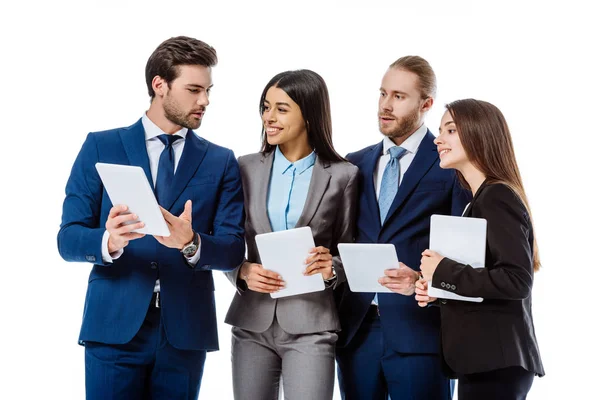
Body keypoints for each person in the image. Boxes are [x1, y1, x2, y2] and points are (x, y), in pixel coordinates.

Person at [57, 36, 245, 400]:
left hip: (185, 331)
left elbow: (233, 249)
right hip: (113, 325)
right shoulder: (101, 145)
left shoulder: (221, 160)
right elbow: (67, 238)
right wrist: (108, 241)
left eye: (208, 90)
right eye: (193, 90)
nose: (204, 101)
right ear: (159, 85)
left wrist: (191, 243)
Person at [335, 56, 470, 400]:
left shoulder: (448, 163)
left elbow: (463, 256)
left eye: (399, 96)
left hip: (421, 331)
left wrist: (425, 282)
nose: (385, 105)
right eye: (382, 94)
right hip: (358, 331)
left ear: (426, 104)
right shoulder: (354, 163)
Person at [224, 69, 359, 400]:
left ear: (309, 116)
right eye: (266, 107)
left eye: (281, 109)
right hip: (252, 322)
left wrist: (333, 268)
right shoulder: (244, 168)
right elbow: (223, 238)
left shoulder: (343, 175)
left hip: (312, 323)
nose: (269, 117)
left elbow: (350, 249)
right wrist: (239, 271)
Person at [415, 98, 545, 400]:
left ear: (478, 133)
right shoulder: (481, 199)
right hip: (488, 362)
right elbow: (487, 278)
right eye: (439, 131)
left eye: (450, 130)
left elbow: (516, 280)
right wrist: (440, 289)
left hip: (496, 363)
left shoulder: (496, 197)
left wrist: (443, 270)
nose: (438, 140)